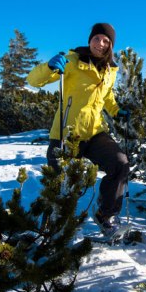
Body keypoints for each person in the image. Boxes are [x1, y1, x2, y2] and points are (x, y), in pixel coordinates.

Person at [26, 23, 130, 236]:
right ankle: (47, 227)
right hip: (66, 133)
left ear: (111, 45)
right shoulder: (72, 61)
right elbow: (34, 80)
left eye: (106, 41)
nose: (100, 44)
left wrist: (116, 110)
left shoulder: (110, 70)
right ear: (90, 39)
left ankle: (106, 214)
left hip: (94, 133)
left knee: (120, 163)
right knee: (56, 181)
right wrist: (49, 67)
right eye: (97, 39)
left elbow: (107, 96)